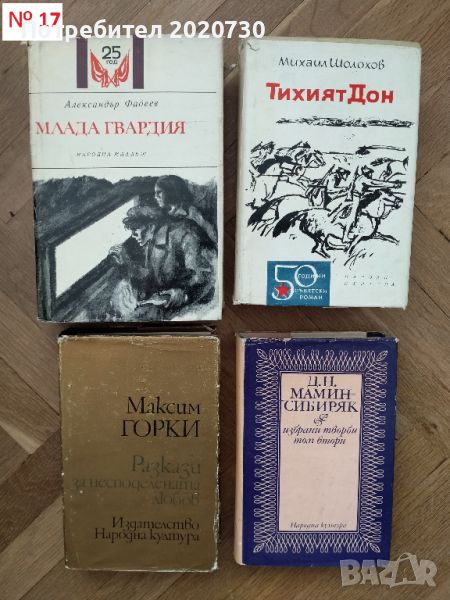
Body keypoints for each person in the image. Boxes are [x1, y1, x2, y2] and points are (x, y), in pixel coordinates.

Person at [108, 205, 216, 320]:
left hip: (197, 301)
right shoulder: (152, 242)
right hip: (169, 301)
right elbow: (151, 277)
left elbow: (203, 277)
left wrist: (178, 295)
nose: (133, 235)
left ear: (151, 226)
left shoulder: (184, 235)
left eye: (135, 230)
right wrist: (125, 262)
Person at [154, 175, 218, 244]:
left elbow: (210, 233)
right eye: (155, 193)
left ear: (170, 191)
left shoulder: (191, 211)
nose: (155, 196)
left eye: (159, 192)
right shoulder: (162, 214)